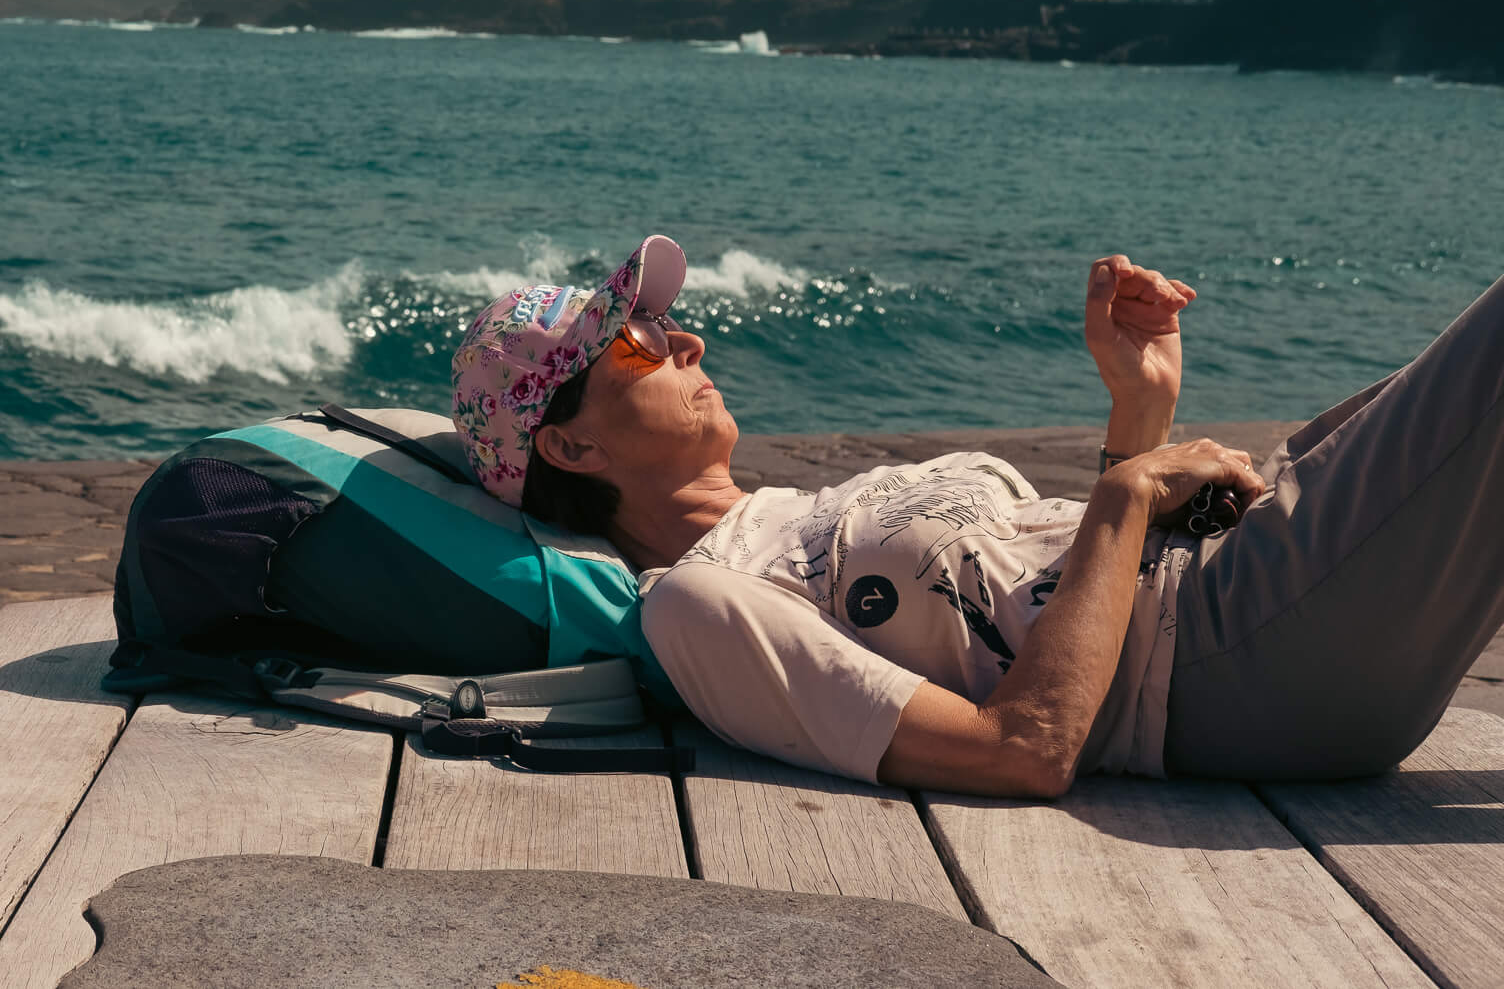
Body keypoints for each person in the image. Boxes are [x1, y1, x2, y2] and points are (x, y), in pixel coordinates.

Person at [450, 234, 1504, 797]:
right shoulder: (701, 604)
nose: (685, 341)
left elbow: (1042, 602)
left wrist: (1137, 411)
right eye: (634, 343)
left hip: (1240, 586)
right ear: (569, 445)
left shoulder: (800, 509)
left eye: (667, 321)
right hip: (1232, 654)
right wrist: (1125, 492)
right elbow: (1026, 746)